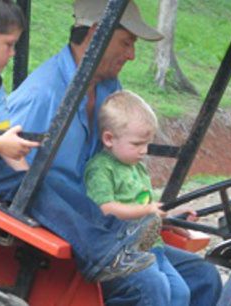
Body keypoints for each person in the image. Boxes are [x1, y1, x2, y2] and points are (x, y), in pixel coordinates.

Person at [0, 0, 159, 284]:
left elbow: (4, 137)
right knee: (30, 185)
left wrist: (29, 175)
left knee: (44, 182)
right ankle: (100, 256)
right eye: (9, 44)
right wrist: (1, 148)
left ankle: (115, 235)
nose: (13, 53)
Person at [9, 0, 222, 305]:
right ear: (97, 34)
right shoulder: (41, 96)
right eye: (126, 42)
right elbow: (12, 183)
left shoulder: (110, 89)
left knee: (202, 276)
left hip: (106, 223)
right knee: (148, 286)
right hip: (66, 227)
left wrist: (148, 210)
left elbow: (114, 171)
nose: (132, 55)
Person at [85, 90, 192, 306]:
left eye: (147, 144)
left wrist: (172, 219)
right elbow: (104, 208)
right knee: (155, 288)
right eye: (136, 144)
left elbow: (147, 206)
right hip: (124, 249)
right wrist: (147, 211)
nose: (144, 151)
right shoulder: (101, 169)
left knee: (181, 293)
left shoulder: (137, 169)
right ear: (109, 139)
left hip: (153, 245)